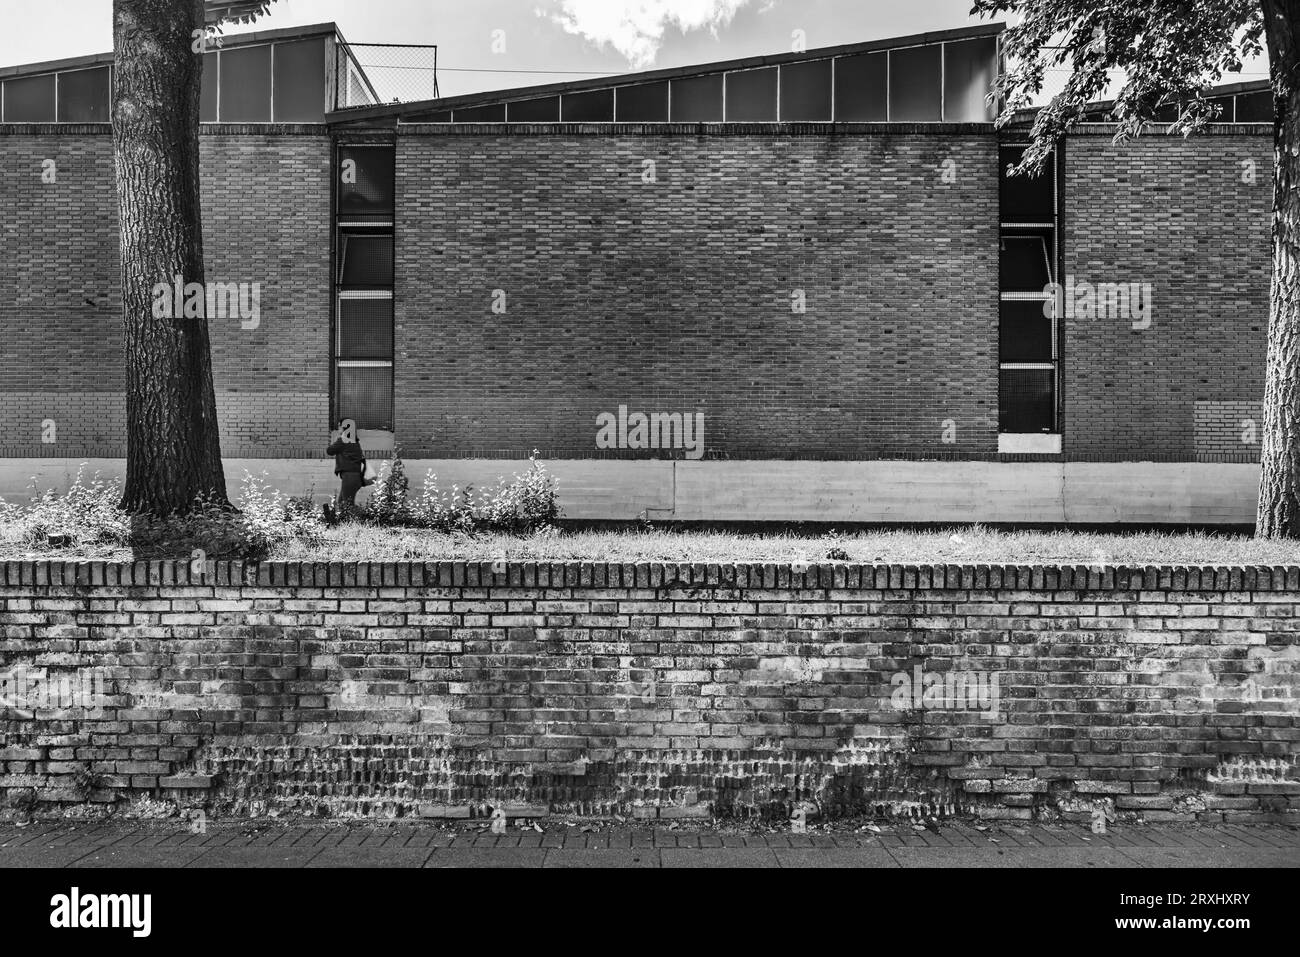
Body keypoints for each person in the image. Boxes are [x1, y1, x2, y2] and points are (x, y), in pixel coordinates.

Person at [325, 423, 370, 522]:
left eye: (339, 426)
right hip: (355, 477)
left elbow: (330, 451)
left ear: (345, 428)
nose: (338, 428)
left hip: (349, 477)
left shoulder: (343, 440)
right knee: (342, 503)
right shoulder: (354, 441)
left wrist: (339, 438)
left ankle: (366, 519)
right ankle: (345, 523)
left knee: (347, 504)